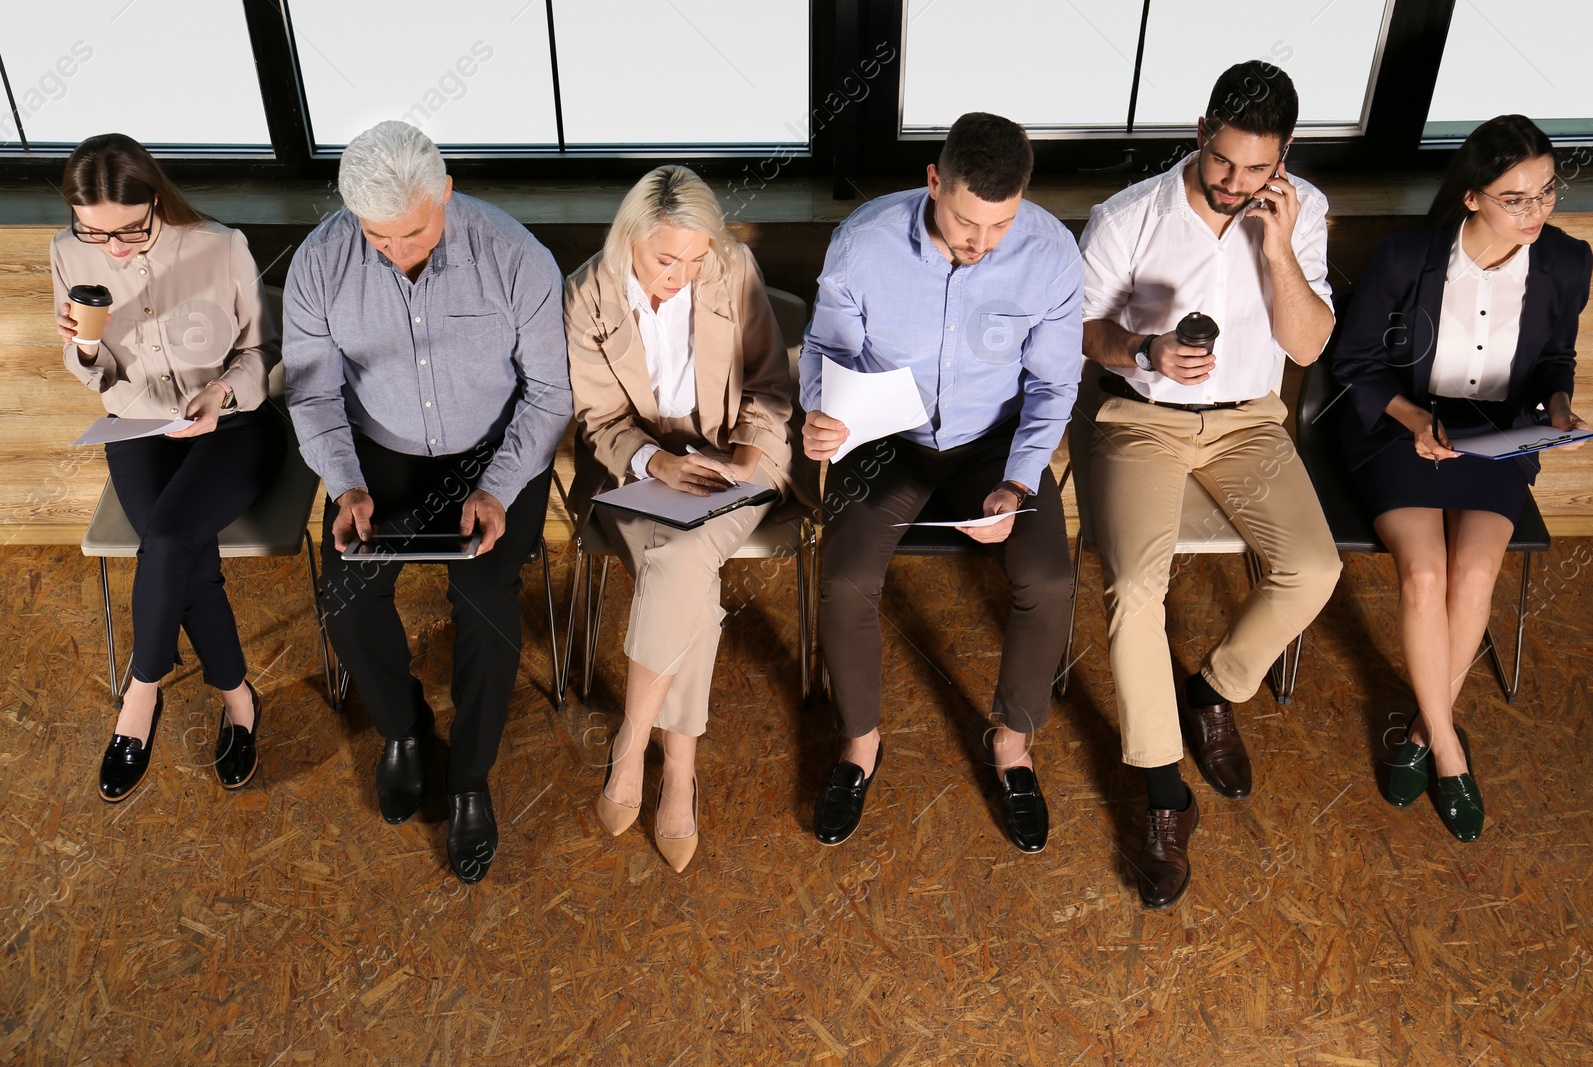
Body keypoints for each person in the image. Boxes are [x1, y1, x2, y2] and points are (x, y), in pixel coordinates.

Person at [1077, 62, 1342, 908]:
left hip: (1251, 420)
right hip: (1141, 417)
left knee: (1316, 568)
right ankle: (1164, 795)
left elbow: (1306, 346)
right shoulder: (1127, 217)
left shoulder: (1299, 214)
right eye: (1224, 162)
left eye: (1257, 169)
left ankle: (1214, 689)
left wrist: (1274, 245)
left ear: (1284, 156)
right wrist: (1145, 350)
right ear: (1199, 133)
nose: (1236, 184)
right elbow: (1079, 332)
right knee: (1134, 588)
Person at [282, 121, 571, 884]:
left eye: (413, 232)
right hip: (378, 454)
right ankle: (404, 731)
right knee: (344, 588)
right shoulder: (319, 264)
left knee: (483, 594)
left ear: (445, 192)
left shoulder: (517, 258)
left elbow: (548, 396)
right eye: (380, 240)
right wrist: (344, 483)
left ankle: (470, 775)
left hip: (494, 449)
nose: (400, 252)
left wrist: (498, 487)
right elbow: (312, 393)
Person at [801, 112, 1082, 854]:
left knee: (1051, 580)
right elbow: (826, 349)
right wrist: (820, 414)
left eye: (1000, 224)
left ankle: (1012, 744)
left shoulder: (1050, 253)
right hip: (885, 435)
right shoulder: (862, 243)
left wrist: (1019, 486)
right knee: (845, 577)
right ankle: (860, 744)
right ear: (933, 181)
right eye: (965, 220)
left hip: (994, 443)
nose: (980, 242)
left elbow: (1054, 386)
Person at [1331, 115, 1591, 842]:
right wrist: (1415, 419)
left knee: (1475, 571)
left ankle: (1420, 729)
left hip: (1496, 432)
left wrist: (1561, 408)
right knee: (1423, 574)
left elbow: (1555, 360)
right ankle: (1446, 749)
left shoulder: (1567, 262)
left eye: (1545, 194)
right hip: (1399, 428)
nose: (1536, 212)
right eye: (1517, 199)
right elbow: (1354, 362)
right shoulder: (1407, 257)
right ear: (1473, 197)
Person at [565, 165, 794, 873]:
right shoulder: (586, 294)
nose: (684, 275)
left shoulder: (733, 267)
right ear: (630, 238)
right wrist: (652, 464)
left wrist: (744, 457)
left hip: (735, 454)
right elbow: (599, 416)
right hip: (637, 467)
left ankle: (634, 741)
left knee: (685, 558)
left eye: (696, 260)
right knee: (686, 565)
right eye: (668, 259)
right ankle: (679, 765)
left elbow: (768, 382)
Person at [50, 133, 286, 803]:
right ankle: (238, 696)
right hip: (137, 422)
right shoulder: (67, 253)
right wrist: (86, 347)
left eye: (130, 229)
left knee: (169, 539)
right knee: (180, 546)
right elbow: (92, 375)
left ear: (157, 197)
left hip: (233, 422)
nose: (114, 248)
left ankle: (139, 697)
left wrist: (220, 393)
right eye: (95, 233)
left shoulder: (222, 247)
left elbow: (260, 353)